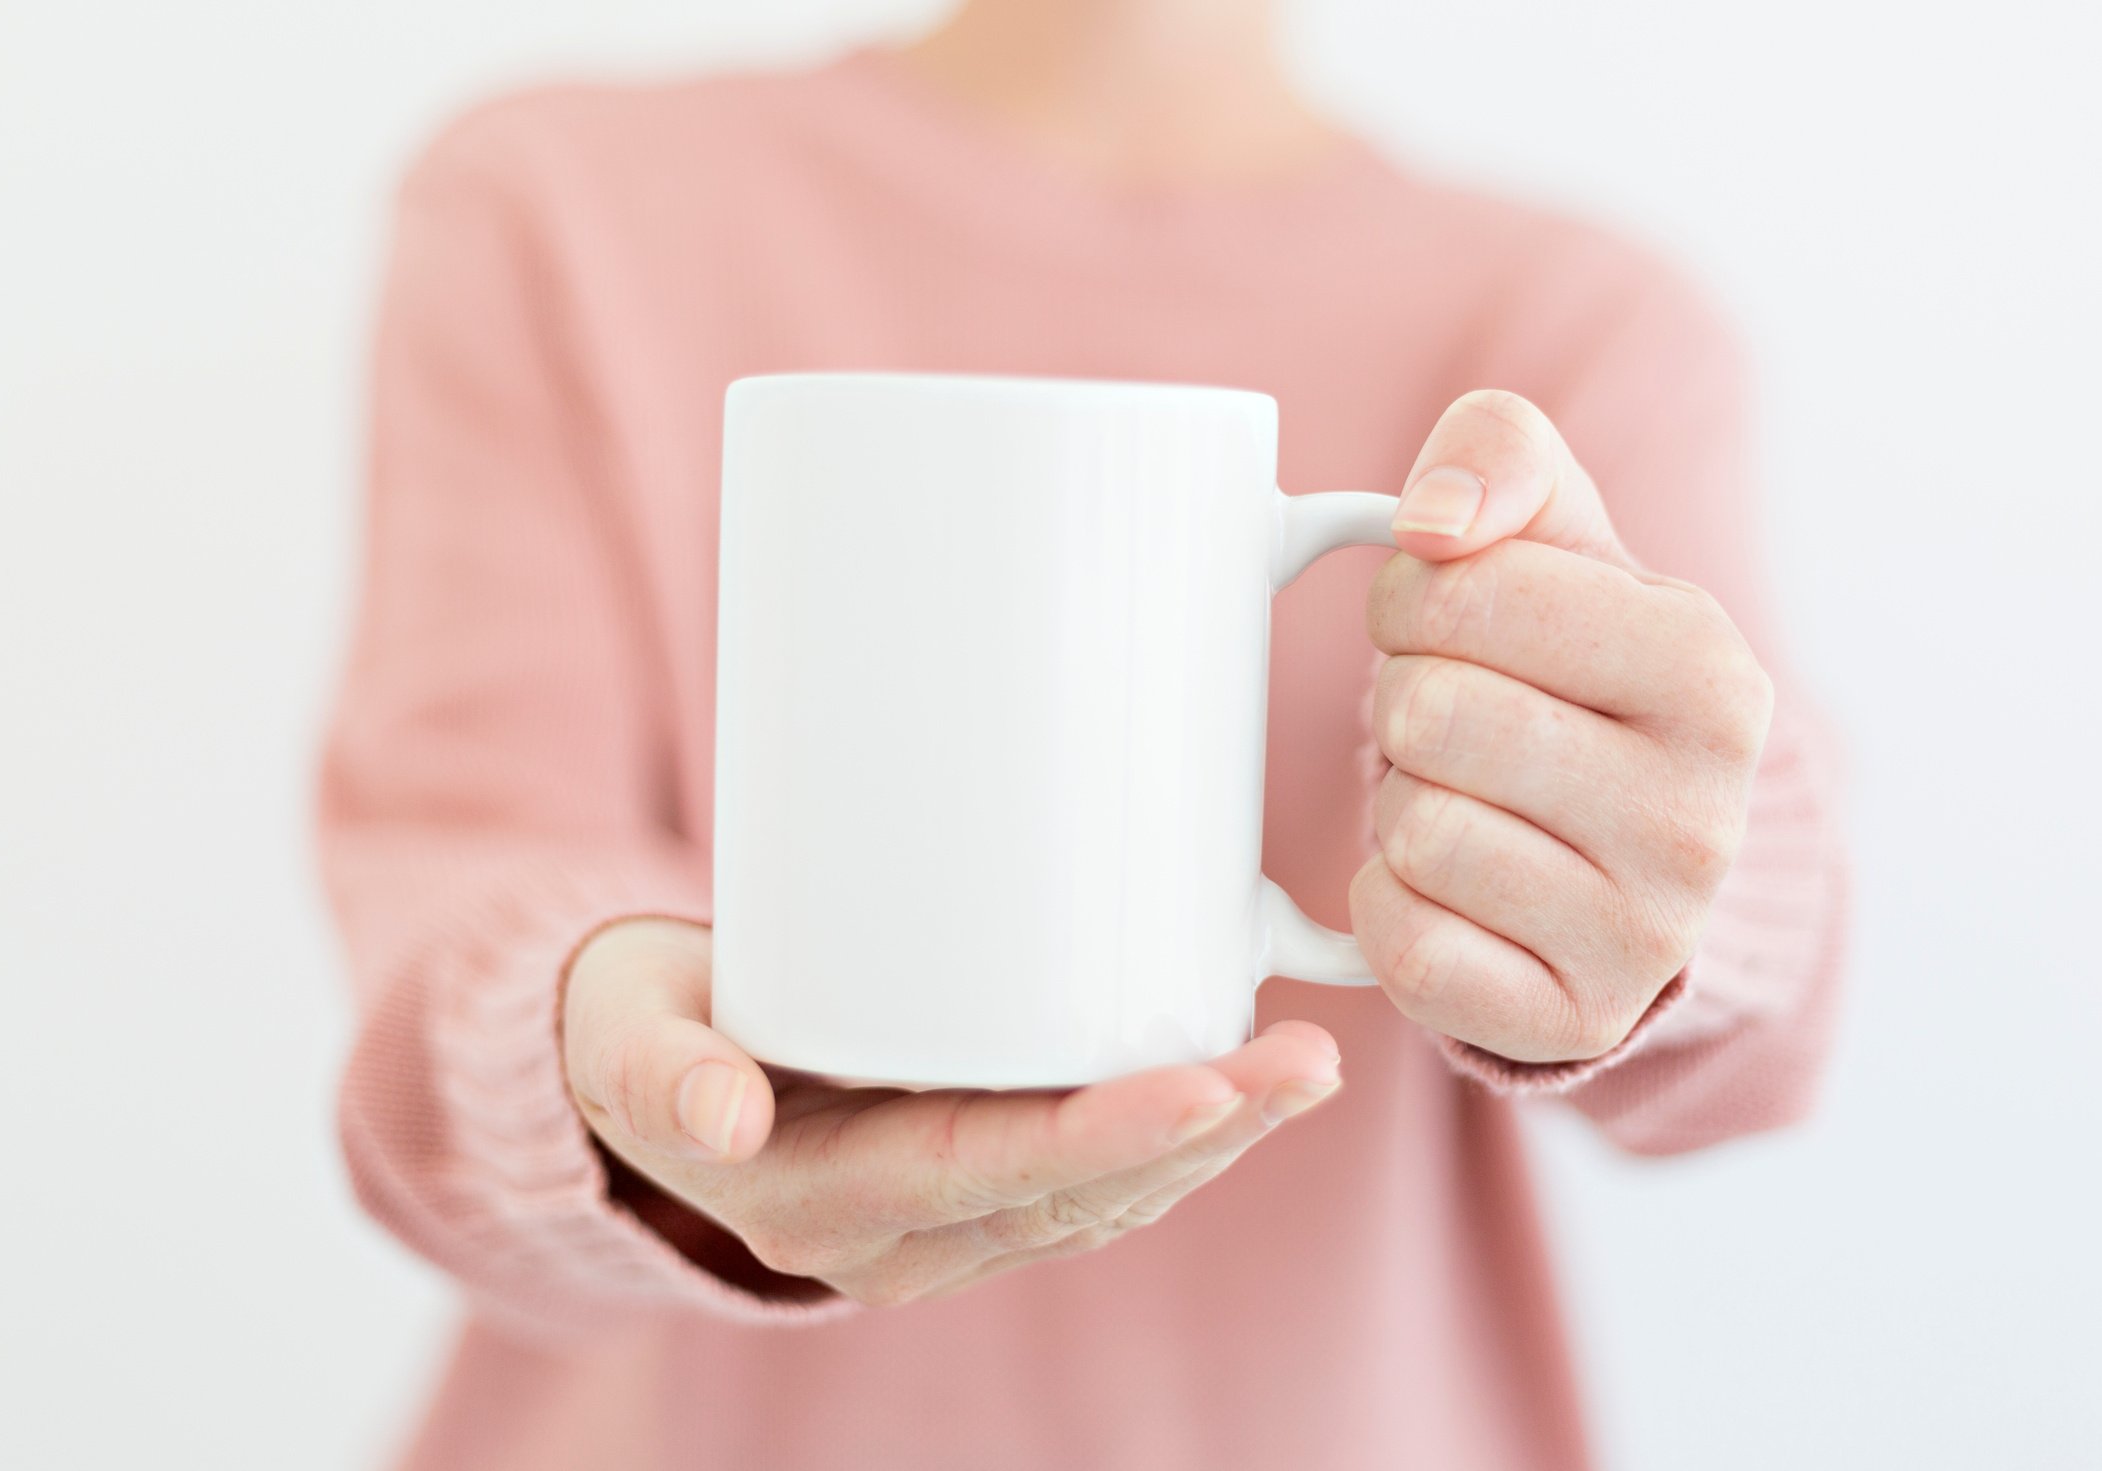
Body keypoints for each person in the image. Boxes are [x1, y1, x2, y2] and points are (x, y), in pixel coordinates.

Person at [318, 0, 1847, 1465]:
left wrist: (1641, 889)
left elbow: (1761, 945)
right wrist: (592, 1054)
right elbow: (463, 877)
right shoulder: (560, 207)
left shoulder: (1579, 319)